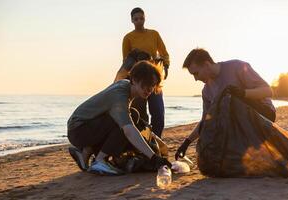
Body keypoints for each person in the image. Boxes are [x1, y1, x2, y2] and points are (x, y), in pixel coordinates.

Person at [67, 61, 171, 175]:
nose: (150, 89)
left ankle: (85, 152)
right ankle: (99, 161)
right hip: (79, 130)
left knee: (133, 116)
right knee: (126, 125)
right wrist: (154, 158)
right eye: (147, 83)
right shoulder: (120, 95)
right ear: (135, 79)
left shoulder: (125, 85)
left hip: (82, 127)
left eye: (153, 85)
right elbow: (129, 131)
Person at [175, 48, 276, 160]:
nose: (195, 79)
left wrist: (242, 93)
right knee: (211, 128)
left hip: (264, 115)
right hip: (238, 124)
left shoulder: (237, 66)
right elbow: (205, 121)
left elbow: (268, 91)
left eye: (196, 73)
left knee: (229, 99)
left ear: (206, 64)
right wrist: (187, 142)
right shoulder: (206, 91)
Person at [117, 7, 170, 138]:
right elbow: (126, 60)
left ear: (144, 18)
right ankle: (144, 142)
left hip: (154, 77)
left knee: (158, 112)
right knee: (139, 114)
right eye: (136, 19)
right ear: (132, 20)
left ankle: (156, 139)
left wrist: (166, 65)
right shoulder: (128, 38)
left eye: (141, 18)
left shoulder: (154, 34)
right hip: (137, 80)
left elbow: (164, 53)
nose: (139, 21)